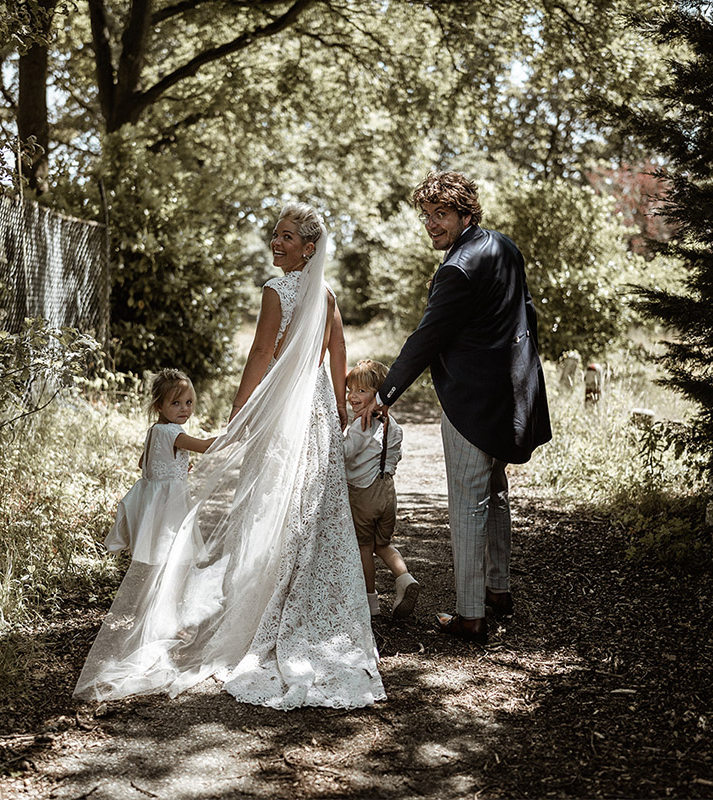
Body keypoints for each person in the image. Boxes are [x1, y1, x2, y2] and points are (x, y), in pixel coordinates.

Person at [74, 202, 384, 710]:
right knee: (309, 501)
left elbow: (261, 354)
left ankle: (273, 596)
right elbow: (339, 353)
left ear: (309, 247)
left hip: (284, 409)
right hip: (318, 409)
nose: (275, 242)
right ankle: (300, 595)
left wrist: (241, 412)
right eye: (275, 234)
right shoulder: (325, 294)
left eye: (286, 237)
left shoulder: (276, 290)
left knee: (274, 496)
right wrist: (339, 410)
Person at [359, 171, 551, 646]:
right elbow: (526, 314)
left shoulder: (456, 268)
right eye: (426, 216)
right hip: (513, 395)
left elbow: (427, 337)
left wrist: (384, 394)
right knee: (496, 490)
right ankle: (498, 592)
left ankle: (470, 617)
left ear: (467, 212)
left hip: (472, 404)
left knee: (468, 504)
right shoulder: (503, 247)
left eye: (441, 214)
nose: (431, 224)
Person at [105, 369, 217, 565]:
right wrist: (234, 435)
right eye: (176, 403)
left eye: (188, 402)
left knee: (155, 542)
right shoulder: (172, 432)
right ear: (159, 406)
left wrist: (174, 466)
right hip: (169, 498)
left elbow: (144, 462)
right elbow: (205, 446)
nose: (184, 409)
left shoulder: (154, 430)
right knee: (171, 542)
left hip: (151, 496)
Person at [343, 359, 419, 619]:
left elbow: (344, 455)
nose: (353, 396)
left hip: (364, 494)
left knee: (365, 547)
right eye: (350, 390)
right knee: (383, 544)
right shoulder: (394, 426)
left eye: (362, 391)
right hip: (388, 492)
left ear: (378, 394)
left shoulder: (361, 426)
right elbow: (395, 457)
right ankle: (404, 577)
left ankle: (370, 602)